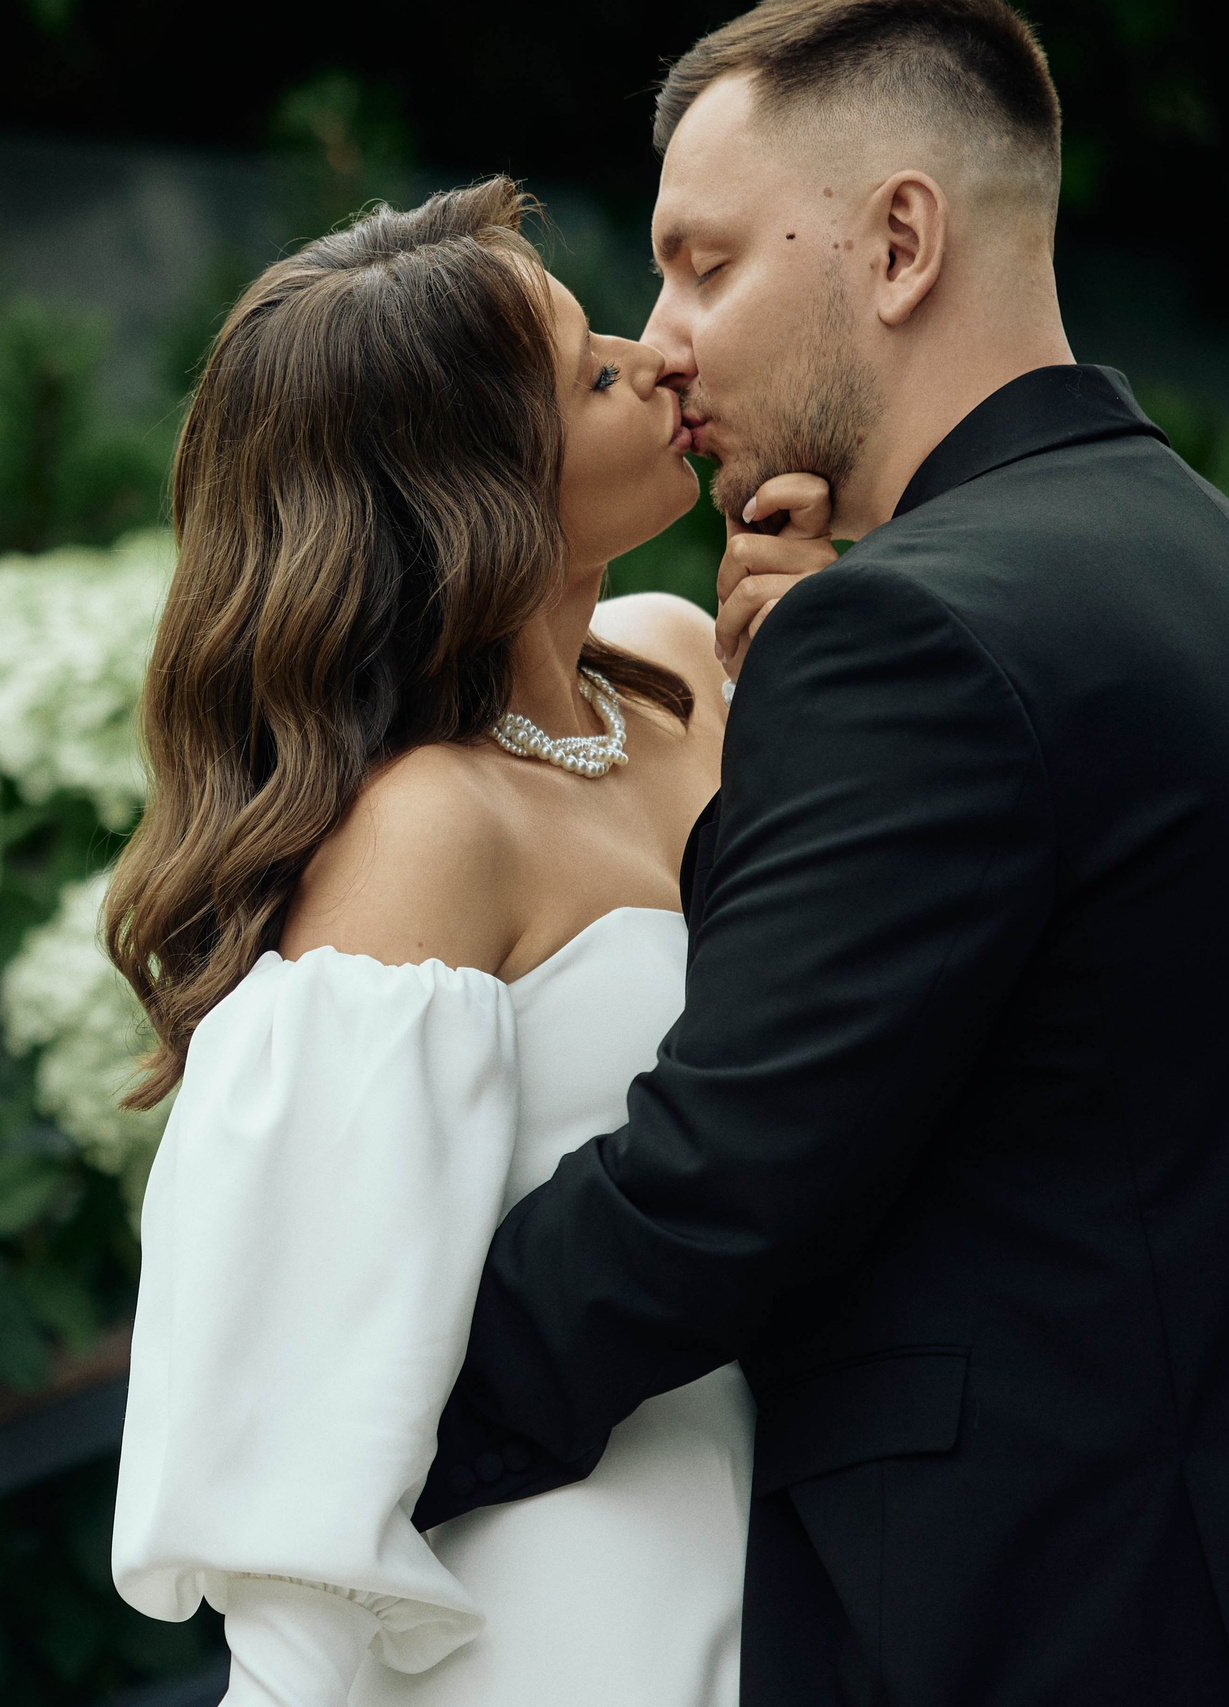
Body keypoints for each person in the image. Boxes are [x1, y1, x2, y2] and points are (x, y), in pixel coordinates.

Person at [419, 3, 1229, 1705]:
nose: (666, 341)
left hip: (1046, 1629)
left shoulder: (913, 644)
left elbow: (717, 1187)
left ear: (902, 240)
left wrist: (364, 1431)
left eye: (702, 264)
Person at [105, 176, 752, 1704]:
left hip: (789, 1517)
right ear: (475, 487)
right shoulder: (424, 834)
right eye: (590, 373)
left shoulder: (676, 664)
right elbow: (321, 1350)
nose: (656, 357)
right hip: (564, 1603)